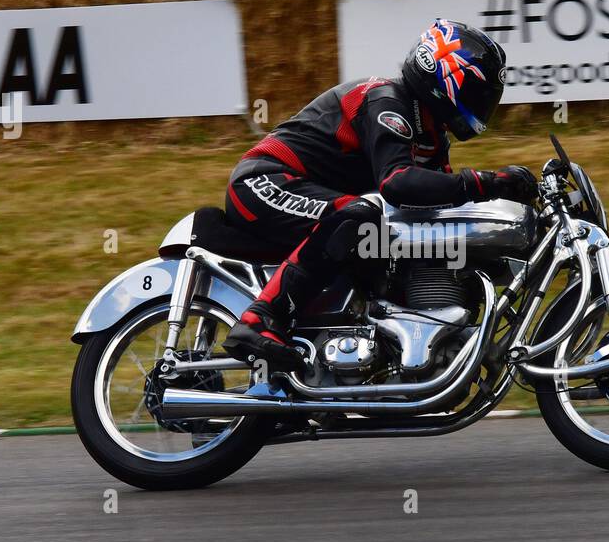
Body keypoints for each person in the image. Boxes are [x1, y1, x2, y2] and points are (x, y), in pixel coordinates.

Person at [222, 19, 537, 371]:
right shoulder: (386, 100)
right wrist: (488, 182)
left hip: (306, 193)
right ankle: (259, 320)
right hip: (262, 182)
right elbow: (398, 183)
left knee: (399, 239)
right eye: (475, 91)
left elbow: (437, 208)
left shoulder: (432, 135)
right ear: (441, 74)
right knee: (358, 216)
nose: (482, 103)